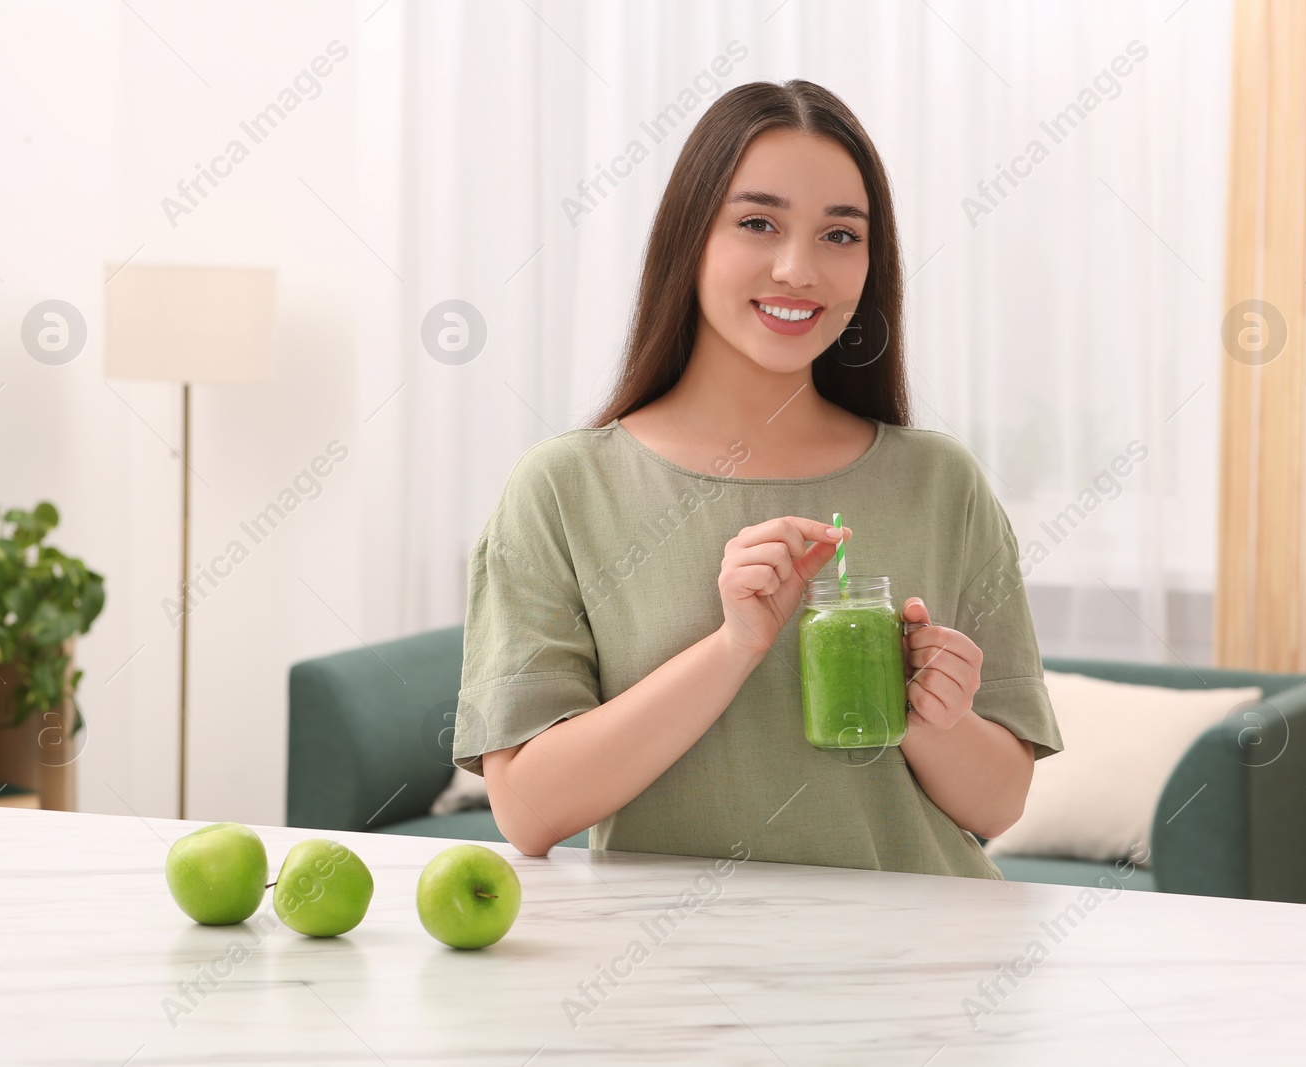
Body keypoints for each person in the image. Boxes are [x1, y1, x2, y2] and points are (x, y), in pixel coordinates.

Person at [452, 79, 1063, 877]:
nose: (797, 268)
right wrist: (735, 644)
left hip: (923, 970)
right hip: (680, 979)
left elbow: (999, 803)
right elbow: (529, 811)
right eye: (757, 223)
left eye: (841, 235)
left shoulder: (941, 482)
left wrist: (929, 714)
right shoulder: (564, 490)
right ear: (690, 238)